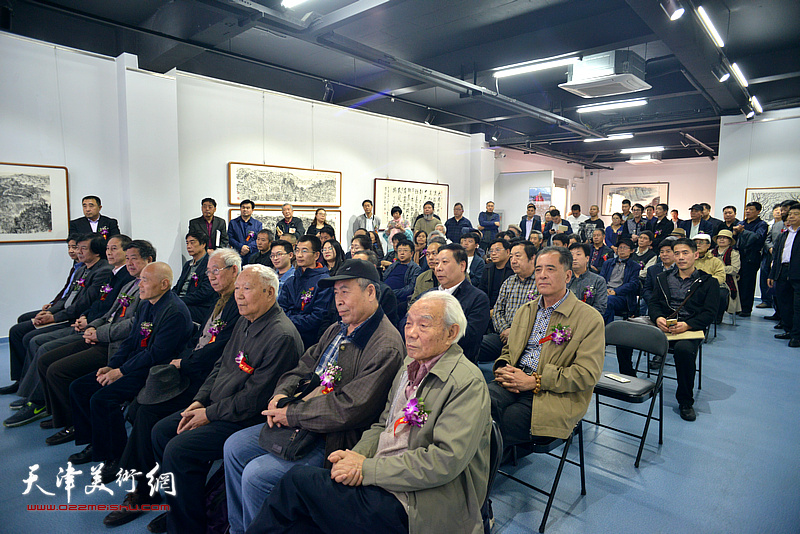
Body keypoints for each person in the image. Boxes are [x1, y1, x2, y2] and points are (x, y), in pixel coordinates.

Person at [249, 291, 491, 534]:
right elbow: (382, 425)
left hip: (418, 501)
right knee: (299, 524)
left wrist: (366, 469)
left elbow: (443, 462)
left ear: (451, 333)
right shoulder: (409, 365)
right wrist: (354, 458)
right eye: (408, 323)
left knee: (296, 483)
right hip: (383, 475)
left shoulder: (466, 383)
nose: (411, 332)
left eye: (424, 325)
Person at [223, 259, 405, 533]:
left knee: (256, 475)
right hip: (300, 416)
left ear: (370, 292)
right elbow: (304, 366)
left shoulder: (385, 345)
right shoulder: (337, 328)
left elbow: (350, 408)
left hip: (334, 436)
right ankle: (243, 528)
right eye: (335, 293)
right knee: (234, 447)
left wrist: (291, 413)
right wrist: (281, 393)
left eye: (345, 291)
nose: (338, 301)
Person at [148, 265, 303, 534]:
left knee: (179, 449)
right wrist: (199, 401)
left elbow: (254, 400)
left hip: (245, 418)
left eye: (247, 289)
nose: (238, 296)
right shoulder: (246, 320)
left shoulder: (281, 335)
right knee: (161, 431)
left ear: (269, 292)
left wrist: (208, 414)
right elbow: (220, 366)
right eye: (238, 288)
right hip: (218, 405)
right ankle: (185, 507)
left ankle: (187, 526)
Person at [101, 248, 242, 527]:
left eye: (217, 271)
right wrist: (185, 360)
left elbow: (217, 353)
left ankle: (145, 490)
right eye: (208, 272)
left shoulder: (238, 305)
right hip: (196, 373)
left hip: (205, 381)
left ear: (235, 273)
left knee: (148, 413)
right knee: (142, 407)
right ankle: (144, 484)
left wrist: (183, 363)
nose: (210, 277)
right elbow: (200, 341)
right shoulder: (221, 300)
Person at [67, 262, 193, 470]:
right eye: (140, 280)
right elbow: (130, 341)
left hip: (155, 371)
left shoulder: (175, 312)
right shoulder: (145, 305)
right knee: (79, 387)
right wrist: (112, 366)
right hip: (134, 362)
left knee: (103, 398)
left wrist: (121, 372)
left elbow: (156, 354)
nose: (140, 285)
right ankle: (97, 443)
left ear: (164, 284)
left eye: (145, 280)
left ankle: (116, 456)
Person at [4, 235, 133, 427]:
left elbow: (118, 316)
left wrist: (89, 324)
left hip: (100, 333)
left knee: (41, 346)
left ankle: (39, 402)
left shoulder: (117, 275)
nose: (109, 252)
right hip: (89, 323)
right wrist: (79, 317)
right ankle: (29, 390)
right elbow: (97, 303)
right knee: (25, 334)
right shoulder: (109, 274)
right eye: (108, 248)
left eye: (114, 249)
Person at [38, 240, 155, 446]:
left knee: (59, 371)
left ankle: (73, 423)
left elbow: (132, 325)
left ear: (149, 260)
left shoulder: (149, 288)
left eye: (133, 259)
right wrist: (93, 326)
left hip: (114, 346)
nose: (129, 263)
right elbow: (110, 313)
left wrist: (99, 333)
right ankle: (63, 417)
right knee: (46, 359)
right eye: (127, 259)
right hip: (100, 336)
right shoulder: (129, 284)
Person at [489, 246, 604, 450]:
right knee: (476, 408)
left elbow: (586, 374)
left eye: (550, 269)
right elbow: (509, 350)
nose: (542, 275)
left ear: (568, 275)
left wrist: (534, 381)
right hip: (515, 378)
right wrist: (503, 366)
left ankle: (478, 475)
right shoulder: (526, 310)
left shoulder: (589, 318)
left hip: (553, 394)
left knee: (497, 427)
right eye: (538, 269)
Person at [646, 238, 718, 421]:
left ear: (695, 255)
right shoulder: (662, 278)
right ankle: (629, 380)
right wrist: (658, 318)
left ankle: (685, 401)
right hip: (664, 325)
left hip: (689, 328)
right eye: (676, 253)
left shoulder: (708, 282)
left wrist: (688, 324)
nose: (680, 257)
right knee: (625, 335)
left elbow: (710, 313)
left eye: (685, 253)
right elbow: (653, 303)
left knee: (684, 350)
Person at [429, 244, 490, 363]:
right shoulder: (430, 295)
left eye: (444, 262)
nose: (438, 268)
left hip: (457, 362)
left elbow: (468, 337)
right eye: (436, 263)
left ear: (462, 266)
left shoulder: (478, 299)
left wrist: (429, 333)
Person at [478, 241, 537, 363]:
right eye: (511, 257)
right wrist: (504, 330)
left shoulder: (541, 283)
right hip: (503, 336)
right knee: (473, 343)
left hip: (528, 338)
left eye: (518, 256)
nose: (513, 261)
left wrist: (516, 332)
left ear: (532, 258)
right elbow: (498, 311)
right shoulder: (509, 282)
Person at [278, 235, 333, 350]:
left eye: (304, 251)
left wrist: (288, 320)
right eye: (297, 250)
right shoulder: (290, 281)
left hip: (310, 341)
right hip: (285, 335)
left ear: (316, 255)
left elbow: (317, 318)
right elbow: (280, 310)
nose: (299, 255)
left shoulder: (324, 282)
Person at [768, 202, 800, 347]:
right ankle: (788, 330)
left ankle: (796, 336)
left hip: (797, 273)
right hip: (782, 272)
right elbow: (776, 257)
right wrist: (772, 275)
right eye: (790, 214)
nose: (791, 216)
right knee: (784, 303)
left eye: (796, 214)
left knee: (797, 306)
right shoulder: (784, 235)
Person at [173, 231, 216, 324]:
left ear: (203, 244)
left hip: (199, 306)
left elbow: (205, 293)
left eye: (192, 242)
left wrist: (179, 301)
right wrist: (169, 296)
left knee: (173, 312)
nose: (188, 246)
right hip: (182, 302)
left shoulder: (210, 264)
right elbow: (178, 286)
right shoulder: (188, 265)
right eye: (187, 243)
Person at [736, 201, 769, 317]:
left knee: (748, 283)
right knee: (737, 282)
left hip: (751, 257)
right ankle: (737, 307)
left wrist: (743, 231)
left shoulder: (761, 224)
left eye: (751, 209)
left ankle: (746, 309)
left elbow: (758, 238)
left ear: (758, 211)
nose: (748, 211)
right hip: (738, 256)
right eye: (746, 209)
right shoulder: (741, 223)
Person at [352, 250, 401, 328]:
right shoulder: (347, 289)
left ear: (373, 267)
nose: (355, 268)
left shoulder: (385, 292)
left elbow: (389, 325)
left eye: (360, 264)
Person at [599, 238, 640, 323]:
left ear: (632, 250)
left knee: (608, 300)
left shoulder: (634, 266)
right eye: (620, 248)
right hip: (605, 292)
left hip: (622, 296)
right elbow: (601, 278)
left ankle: (599, 325)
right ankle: (606, 329)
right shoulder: (608, 263)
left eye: (625, 248)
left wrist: (616, 291)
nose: (622, 250)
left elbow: (633, 284)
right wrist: (604, 289)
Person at [383, 239, 422, 316]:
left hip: (398, 298)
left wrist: (392, 293)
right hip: (385, 294)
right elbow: (383, 278)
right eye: (400, 250)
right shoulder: (393, 265)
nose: (402, 253)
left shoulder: (415, 268)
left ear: (411, 253)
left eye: (405, 250)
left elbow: (411, 288)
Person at [568, 243, 608, 316]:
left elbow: (600, 308)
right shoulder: (563, 279)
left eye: (578, 254)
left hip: (587, 320)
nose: (574, 258)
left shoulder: (598, 281)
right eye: (571, 255)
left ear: (587, 258)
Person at [759, 203, 785, 310]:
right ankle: (766, 300)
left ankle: (778, 307)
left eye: (781, 211)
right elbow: (767, 239)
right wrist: (770, 248)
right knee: (765, 276)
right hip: (769, 254)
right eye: (776, 211)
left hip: (783, 257)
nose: (779, 212)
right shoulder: (774, 225)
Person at [641, 240, 677, 317]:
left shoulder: (680, 269)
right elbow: (647, 289)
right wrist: (653, 301)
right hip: (655, 304)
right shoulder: (652, 269)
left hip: (674, 305)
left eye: (668, 251)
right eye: (662, 252)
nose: (664, 254)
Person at [478, 238, 515, 308]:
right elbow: (482, 291)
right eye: (491, 251)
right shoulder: (487, 269)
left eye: (497, 250)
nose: (493, 253)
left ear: (507, 252)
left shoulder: (513, 269)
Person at [713, 229, 742, 316]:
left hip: (727, 282)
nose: (721, 240)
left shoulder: (734, 253)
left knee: (721, 295)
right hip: (712, 280)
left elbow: (735, 269)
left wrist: (719, 269)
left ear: (729, 241)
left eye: (725, 238)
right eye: (720, 238)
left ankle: (718, 316)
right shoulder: (710, 252)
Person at [409, 237, 445, 306]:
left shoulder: (453, 276)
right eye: (428, 254)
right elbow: (413, 302)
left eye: (434, 253)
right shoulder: (421, 278)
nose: (430, 258)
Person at [229, 199, 263, 263]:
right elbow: (230, 238)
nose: (245, 210)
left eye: (248, 208)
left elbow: (259, 239)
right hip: (237, 254)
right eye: (243, 207)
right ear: (240, 209)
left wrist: (248, 248)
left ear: (252, 210)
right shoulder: (233, 223)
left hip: (253, 255)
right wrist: (241, 247)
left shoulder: (258, 224)